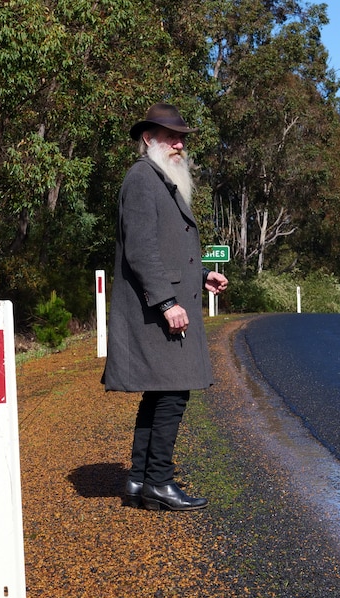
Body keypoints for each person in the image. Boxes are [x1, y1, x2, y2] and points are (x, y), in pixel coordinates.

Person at [102, 103, 228, 512]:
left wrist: (200, 276)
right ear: (148, 139)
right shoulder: (141, 178)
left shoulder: (159, 178)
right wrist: (169, 301)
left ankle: (139, 481)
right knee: (172, 394)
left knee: (159, 395)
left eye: (182, 138)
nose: (179, 144)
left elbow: (167, 249)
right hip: (156, 310)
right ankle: (159, 481)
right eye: (170, 137)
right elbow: (141, 251)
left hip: (163, 303)